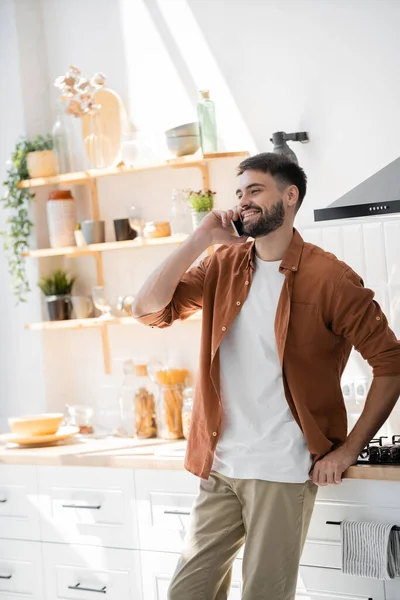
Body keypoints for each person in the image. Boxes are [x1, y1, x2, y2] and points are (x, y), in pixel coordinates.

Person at [133, 152, 400, 600]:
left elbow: (391, 363)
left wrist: (350, 450)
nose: (242, 203)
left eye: (255, 191)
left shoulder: (329, 278)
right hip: (219, 466)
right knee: (186, 593)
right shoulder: (222, 265)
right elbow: (147, 309)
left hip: (281, 470)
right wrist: (200, 238)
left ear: (290, 196)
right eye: (239, 194)